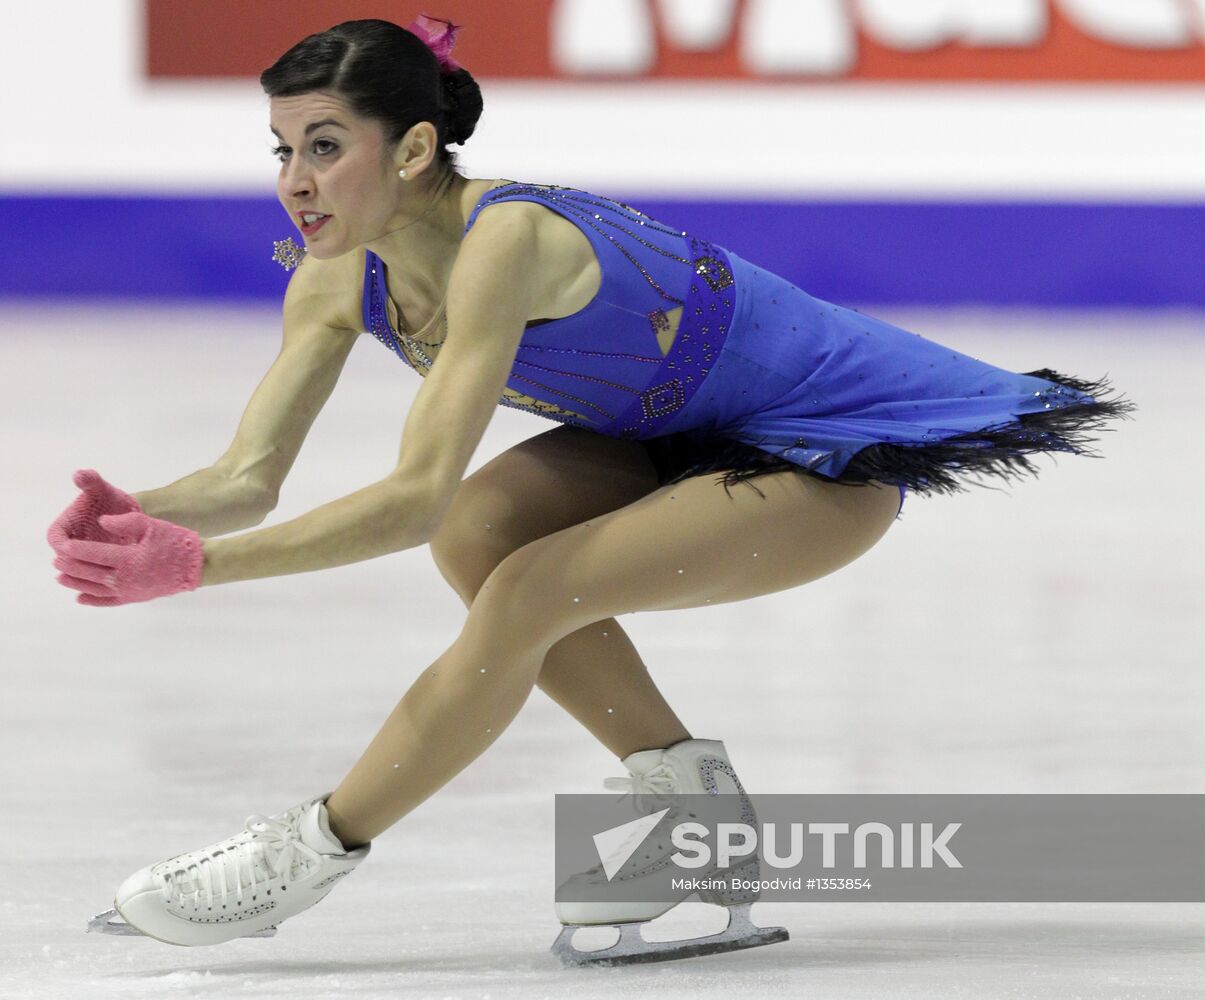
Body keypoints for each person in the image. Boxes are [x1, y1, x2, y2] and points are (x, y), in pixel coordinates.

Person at [49, 15, 1132, 964]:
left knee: (523, 587)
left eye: (325, 148)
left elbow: (410, 489)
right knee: (479, 535)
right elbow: (248, 477)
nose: (294, 180)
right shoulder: (337, 274)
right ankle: (696, 813)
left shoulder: (504, 239)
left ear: (416, 146)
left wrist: (196, 570)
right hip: (674, 441)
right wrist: (149, 514)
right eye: (283, 149)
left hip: (823, 455)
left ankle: (310, 852)